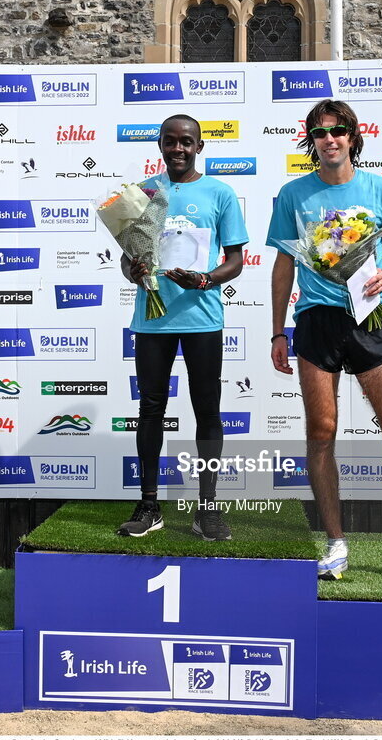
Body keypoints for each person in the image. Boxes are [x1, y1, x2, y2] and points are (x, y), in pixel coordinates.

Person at [266, 99, 382, 588]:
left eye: (337, 131)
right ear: (311, 142)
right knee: (321, 432)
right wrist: (278, 331)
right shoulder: (293, 194)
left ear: (353, 137)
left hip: (368, 318)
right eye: (319, 133)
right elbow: (283, 266)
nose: (329, 139)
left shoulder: (381, 189)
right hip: (315, 320)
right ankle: (336, 543)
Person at [118, 114, 248, 541]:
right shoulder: (144, 193)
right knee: (150, 410)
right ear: (159, 144)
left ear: (199, 146)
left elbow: (235, 260)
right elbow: (127, 259)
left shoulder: (220, 193)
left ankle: (207, 508)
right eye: (170, 141)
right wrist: (134, 269)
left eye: (186, 142)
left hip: (202, 318)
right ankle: (149, 504)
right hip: (153, 319)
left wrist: (208, 279)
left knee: (207, 412)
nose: (178, 148)